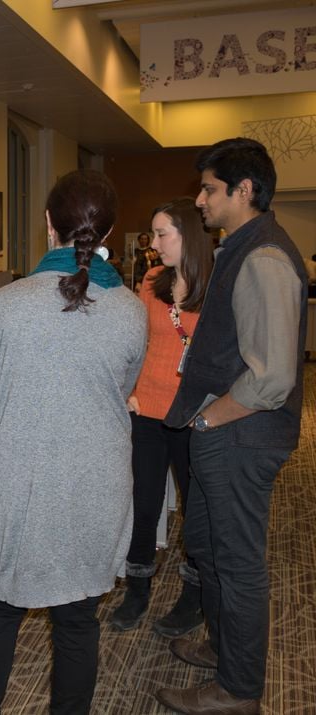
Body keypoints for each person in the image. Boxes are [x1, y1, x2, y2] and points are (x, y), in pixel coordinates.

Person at [0, 169, 146, 714]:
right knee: (78, 622)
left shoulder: (10, 302)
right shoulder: (132, 311)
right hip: (96, 485)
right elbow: (122, 388)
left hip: (23, 483)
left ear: (48, 224)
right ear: (109, 233)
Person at [156, 138, 306, 714]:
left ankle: (238, 690)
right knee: (208, 548)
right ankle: (227, 654)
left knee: (237, 562)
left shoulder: (264, 257)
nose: (199, 200)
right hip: (227, 432)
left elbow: (272, 378)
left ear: (245, 191)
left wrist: (212, 417)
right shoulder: (240, 248)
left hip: (242, 433)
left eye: (210, 189)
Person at [108, 198, 213, 636]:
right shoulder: (152, 280)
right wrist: (130, 390)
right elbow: (135, 343)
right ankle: (137, 589)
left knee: (196, 510)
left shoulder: (219, 285)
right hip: (147, 411)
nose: (153, 243)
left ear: (186, 236)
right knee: (144, 502)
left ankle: (192, 597)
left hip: (195, 416)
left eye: (161, 234)